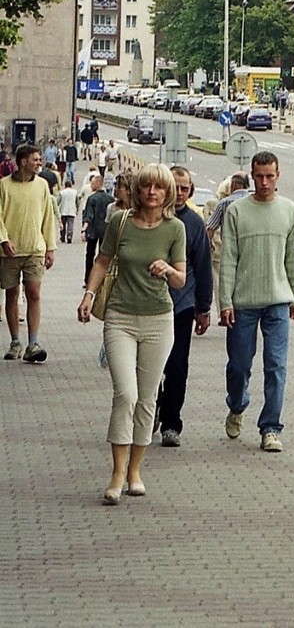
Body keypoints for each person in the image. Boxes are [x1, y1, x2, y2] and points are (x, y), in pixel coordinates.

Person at [77, 164, 186, 505]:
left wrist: (168, 269)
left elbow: (181, 279)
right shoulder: (119, 222)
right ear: (137, 191)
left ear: (167, 192)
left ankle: (135, 472)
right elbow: (102, 261)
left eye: (159, 187)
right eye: (146, 187)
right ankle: (116, 473)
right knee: (125, 393)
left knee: (146, 398)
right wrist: (89, 295)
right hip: (121, 317)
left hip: (158, 320)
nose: (151, 192)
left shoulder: (175, 228)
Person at [219, 152, 294, 453]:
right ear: (252, 176)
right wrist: (225, 301)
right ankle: (237, 405)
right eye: (259, 176)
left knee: (276, 366)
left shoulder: (289, 211)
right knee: (239, 365)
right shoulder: (237, 212)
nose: (265, 182)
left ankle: (270, 427)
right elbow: (228, 259)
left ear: (278, 175)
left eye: (270, 176)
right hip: (243, 302)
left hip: (278, 301)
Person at [155, 168, 213, 447]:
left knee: (177, 365)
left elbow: (203, 266)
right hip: (150, 304)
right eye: (175, 187)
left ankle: (171, 423)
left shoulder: (194, 223)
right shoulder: (152, 218)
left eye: (185, 189)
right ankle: (152, 407)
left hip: (182, 304)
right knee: (152, 365)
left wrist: (204, 307)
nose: (180, 193)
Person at [0, 144, 56, 362]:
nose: (39, 163)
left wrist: (50, 247)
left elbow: (48, 217)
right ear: (23, 162)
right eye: (35, 159)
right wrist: (3, 240)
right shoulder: (4, 186)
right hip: (10, 252)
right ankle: (15, 342)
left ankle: (33, 343)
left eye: (40, 159)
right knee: (12, 294)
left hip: (35, 249)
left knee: (33, 293)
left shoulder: (42, 186)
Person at [205, 172, 251, 316]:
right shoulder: (254, 202)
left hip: (229, 249)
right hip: (250, 249)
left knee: (227, 280)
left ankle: (228, 310)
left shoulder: (224, 203)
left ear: (233, 185)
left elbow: (210, 227)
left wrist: (207, 245)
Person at [82, 176, 115, 283]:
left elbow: (89, 216)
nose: (91, 185)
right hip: (106, 231)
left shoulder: (92, 199)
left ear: (98, 184)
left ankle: (88, 278)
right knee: (103, 255)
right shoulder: (110, 199)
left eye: (92, 183)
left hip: (93, 230)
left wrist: (83, 230)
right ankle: (101, 278)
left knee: (89, 255)